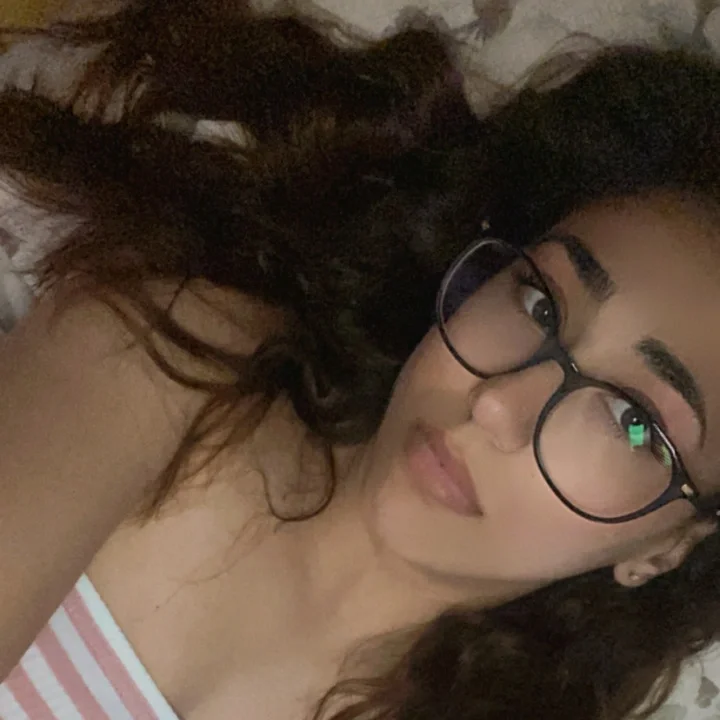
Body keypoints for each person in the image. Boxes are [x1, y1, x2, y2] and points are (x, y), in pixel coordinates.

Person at [1, 2, 720, 718]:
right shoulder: (181, 356)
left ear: (664, 550)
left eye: (631, 420)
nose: (495, 404)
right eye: (539, 305)